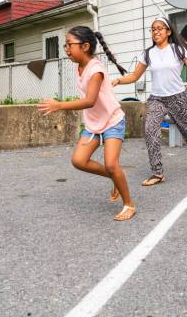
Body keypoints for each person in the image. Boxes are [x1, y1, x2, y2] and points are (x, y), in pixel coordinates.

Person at [37, 26, 136, 221]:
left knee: (111, 164)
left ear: (85, 46)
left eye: (69, 45)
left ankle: (129, 205)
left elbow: (90, 100)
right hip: (93, 122)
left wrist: (59, 105)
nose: (66, 49)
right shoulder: (78, 66)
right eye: (65, 45)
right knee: (79, 161)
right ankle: (114, 176)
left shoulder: (96, 70)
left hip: (112, 121)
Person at [112, 17, 187, 186]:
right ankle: (157, 172)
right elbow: (134, 76)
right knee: (150, 130)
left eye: (160, 28)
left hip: (178, 96)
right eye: (153, 29)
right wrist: (119, 80)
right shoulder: (148, 54)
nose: (156, 32)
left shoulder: (178, 49)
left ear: (168, 31)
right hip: (157, 99)